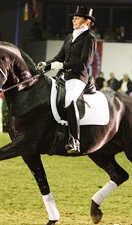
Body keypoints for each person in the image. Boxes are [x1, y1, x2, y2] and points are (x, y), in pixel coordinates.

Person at [37, 6, 97, 154]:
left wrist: (62, 65)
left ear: (87, 21)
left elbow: (84, 63)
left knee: (69, 99)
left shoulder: (90, 39)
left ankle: (74, 140)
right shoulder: (70, 37)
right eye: (74, 17)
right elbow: (59, 57)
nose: (73, 19)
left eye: (78, 17)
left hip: (78, 77)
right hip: (63, 76)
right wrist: (46, 64)